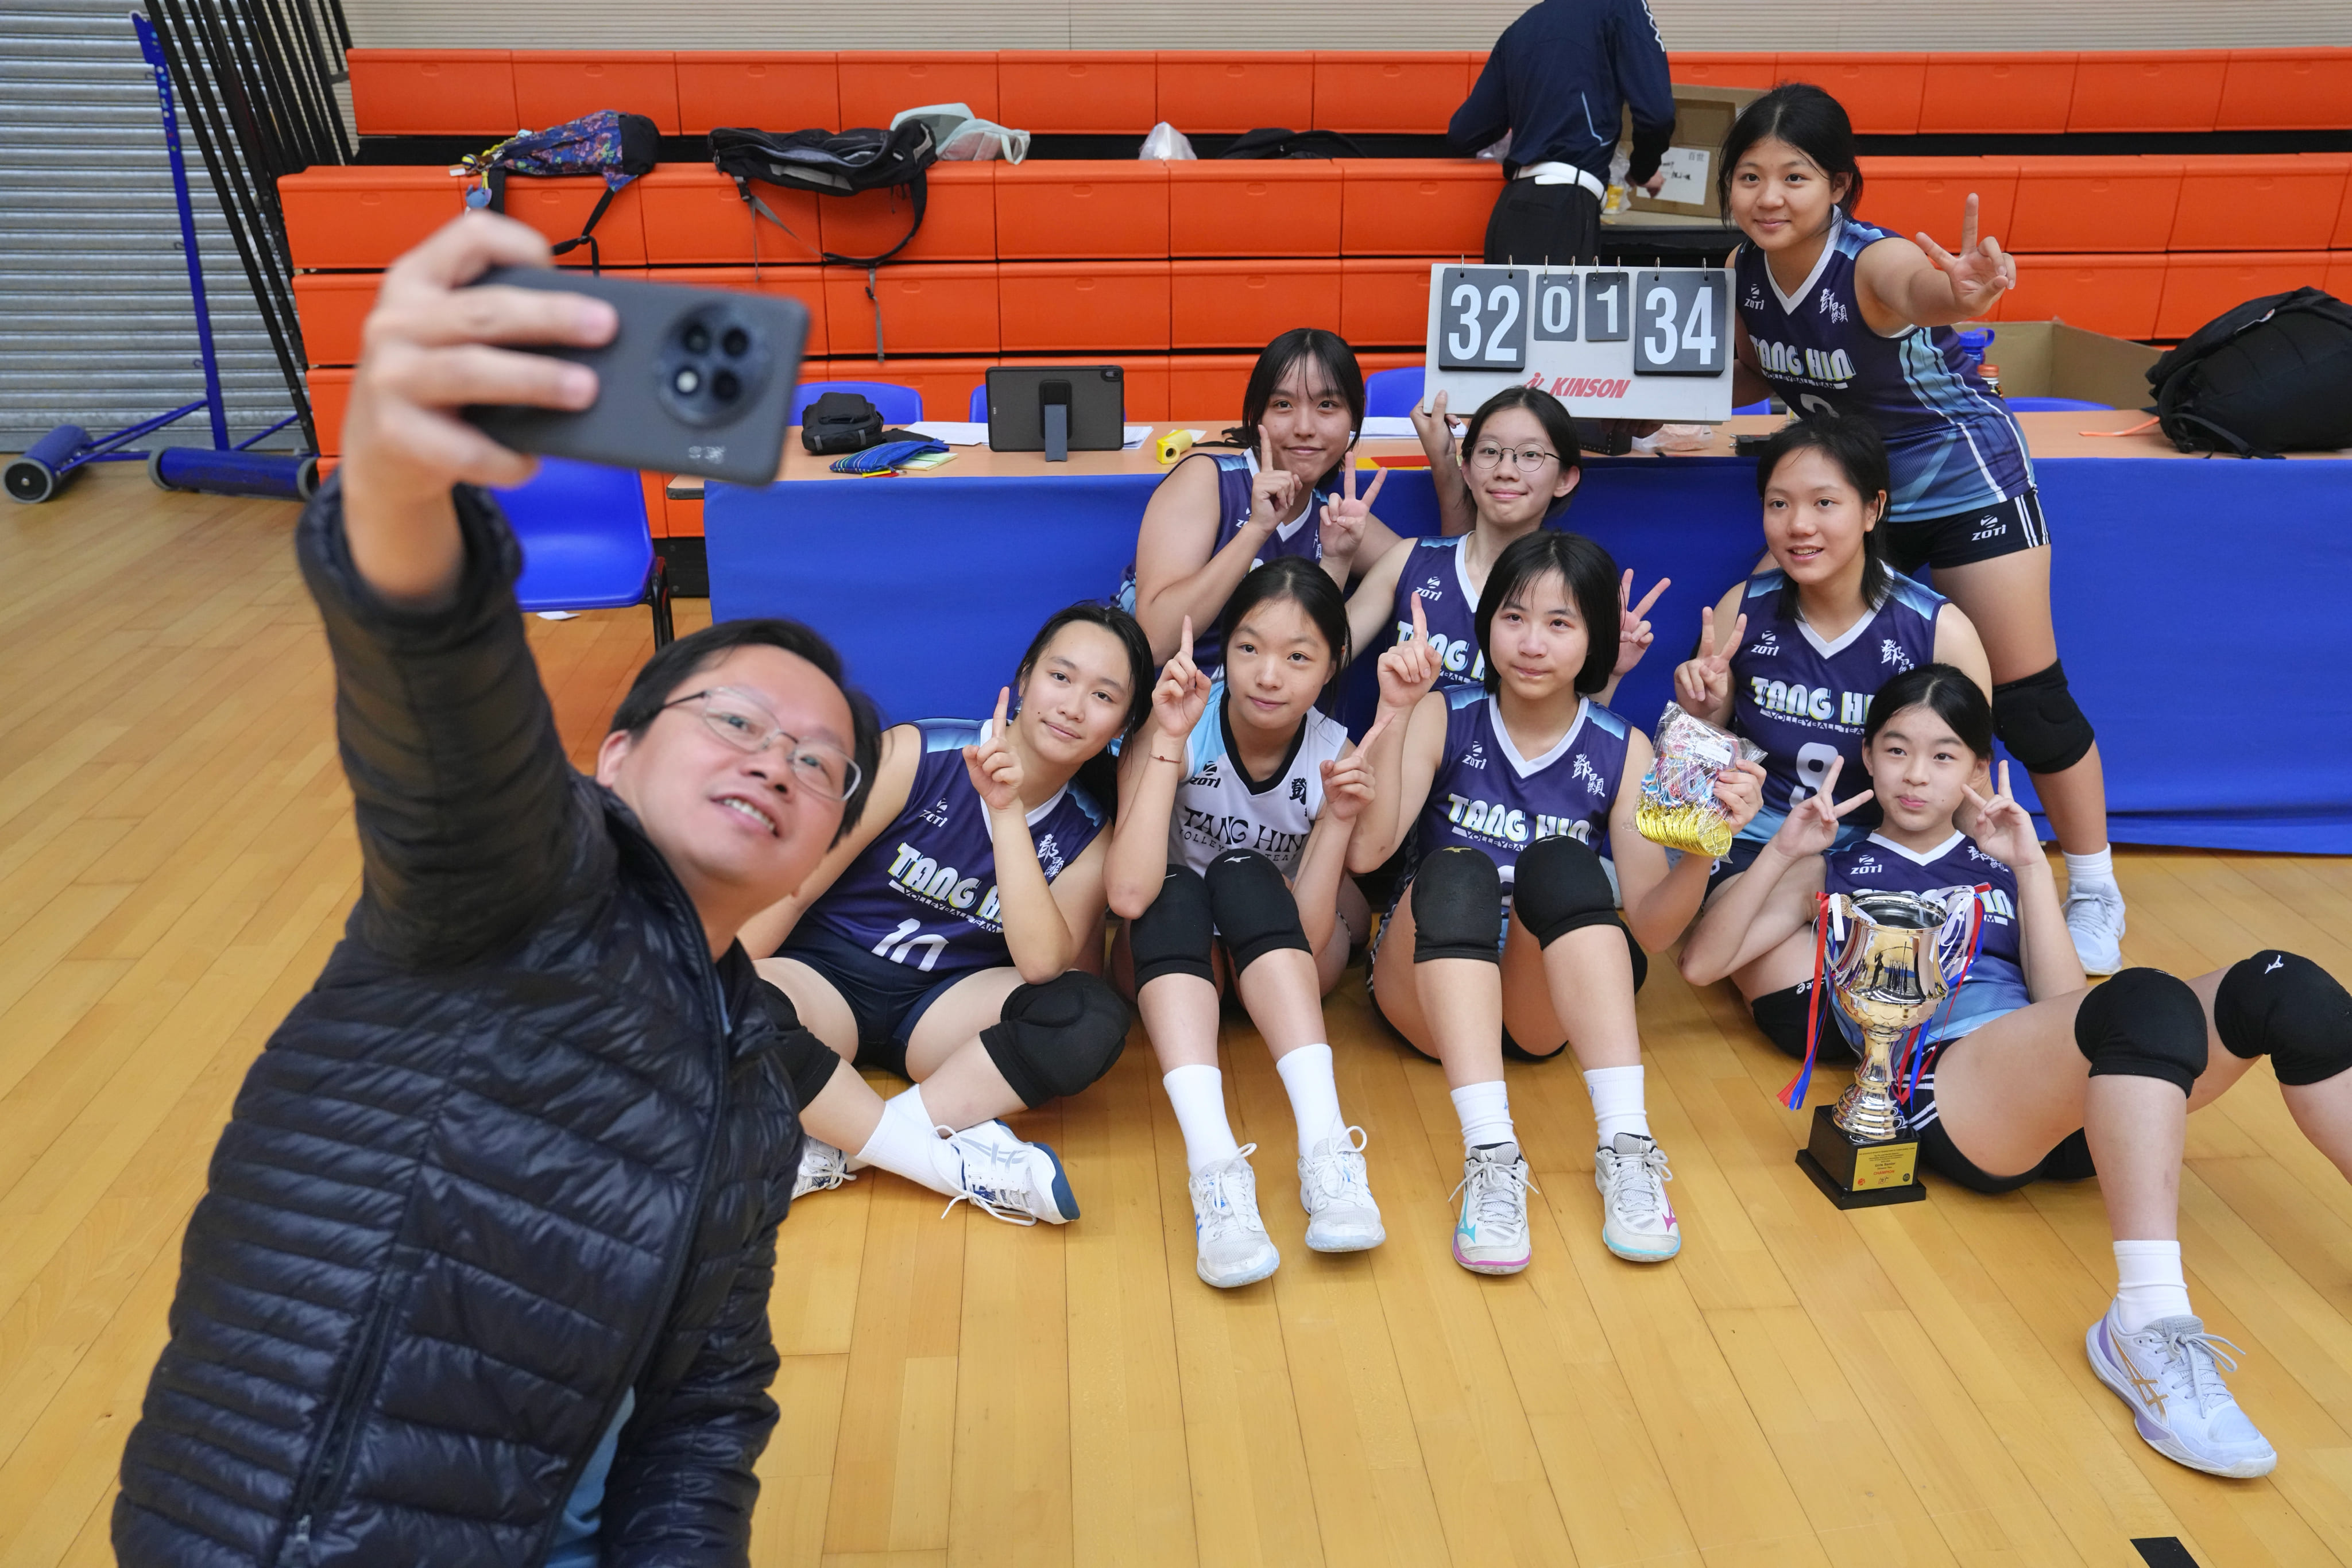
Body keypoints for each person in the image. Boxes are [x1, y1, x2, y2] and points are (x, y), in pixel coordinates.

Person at [115, 212, 884, 1564]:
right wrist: (399, 489)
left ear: (826, 834)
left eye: (819, 763)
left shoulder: (762, 1074)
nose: (777, 761)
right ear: (617, 754)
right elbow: (440, 696)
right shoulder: (528, 879)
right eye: (736, 721)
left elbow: (706, 1406)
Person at [1680, 664, 2352, 1480]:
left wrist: (2032, 867)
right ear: (1868, 756)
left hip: (2070, 1094)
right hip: (1953, 1092)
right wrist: (1782, 851)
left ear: (1976, 768)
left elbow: (2067, 1008)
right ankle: (2144, 1324)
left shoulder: (2000, 861)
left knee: (2287, 985)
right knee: (2141, 999)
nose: (1916, 774)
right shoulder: (1835, 865)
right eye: (1895, 749)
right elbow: (1702, 964)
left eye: (1942, 755)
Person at [1719, 82, 2127, 973]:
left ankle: (2095, 885)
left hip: (1962, 482)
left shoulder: (1871, 263)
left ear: (1839, 185)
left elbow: (1922, 288)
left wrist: (1959, 291)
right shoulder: (1745, 267)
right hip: (1856, 497)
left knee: (2026, 697)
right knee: (1761, 636)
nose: (1769, 196)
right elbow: (1755, 367)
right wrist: (1655, 400)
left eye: (1795, 176)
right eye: (1750, 177)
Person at [1351, 530, 1765, 1275]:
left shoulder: (1623, 748)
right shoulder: (1445, 713)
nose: (1532, 642)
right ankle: (1491, 1154)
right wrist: (1394, 713)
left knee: (1565, 865)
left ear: (1594, 638)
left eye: (1559, 622)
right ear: (1486, 626)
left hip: (1536, 1004)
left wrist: (1707, 848)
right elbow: (1368, 853)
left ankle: (1627, 1145)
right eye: (1513, 617)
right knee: (1460, 869)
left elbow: (1652, 927)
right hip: (1427, 986)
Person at [738, 604, 1150, 1225]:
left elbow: (1042, 966)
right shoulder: (919, 751)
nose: (1072, 706)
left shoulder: (1089, 834)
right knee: (730, 1000)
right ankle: (936, 1160)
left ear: (1122, 722)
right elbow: (795, 885)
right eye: (1061, 677)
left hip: (943, 1007)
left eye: (1103, 695)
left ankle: (839, 1149)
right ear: (1025, 676)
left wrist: (1007, 812)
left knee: (1089, 1016)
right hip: (824, 978)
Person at [1106, 560, 1386, 1288]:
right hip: (1174, 959)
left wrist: (1339, 820)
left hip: (1277, 955)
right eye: (1249, 648)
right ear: (1222, 649)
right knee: (1176, 887)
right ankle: (1214, 1169)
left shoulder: (1333, 752)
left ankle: (1327, 1151)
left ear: (1331, 667)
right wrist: (1167, 740)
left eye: (1297, 657)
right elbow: (1128, 892)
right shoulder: (1180, 722)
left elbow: (1312, 937)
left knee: (1242, 872)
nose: (1267, 675)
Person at [1674, 414, 1990, 1025]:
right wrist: (1700, 711)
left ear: (1873, 509)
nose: (1798, 525)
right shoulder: (1744, 607)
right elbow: (1698, 769)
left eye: (1824, 503)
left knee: (1906, 1000)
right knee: (1800, 1011)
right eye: (1779, 503)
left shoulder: (1939, 630)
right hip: (1758, 847)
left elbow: (1967, 778)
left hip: (1887, 852)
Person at [1347, 384, 1667, 701]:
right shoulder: (1406, 560)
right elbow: (1326, 659)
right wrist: (1336, 559)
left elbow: (1576, 729)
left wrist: (1610, 674)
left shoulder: (1576, 588)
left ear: (1565, 479)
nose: (1505, 471)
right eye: (1489, 451)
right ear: (1466, 469)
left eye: (1531, 455)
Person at [1117, 327, 1405, 674]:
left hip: (1262, 699)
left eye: (1327, 405)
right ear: (1257, 417)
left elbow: (1431, 571)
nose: (1304, 427)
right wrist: (1256, 530)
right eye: (1283, 405)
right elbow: (1155, 641)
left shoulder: (1332, 514)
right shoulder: (1207, 480)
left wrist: (1447, 465)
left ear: (1354, 420)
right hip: (1162, 695)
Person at [1449, 0, 1676, 265]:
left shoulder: (1522, 27)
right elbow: (1657, 115)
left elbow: (1464, 133)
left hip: (1510, 209)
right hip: (1566, 206)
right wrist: (1642, 171)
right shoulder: (1620, 5)